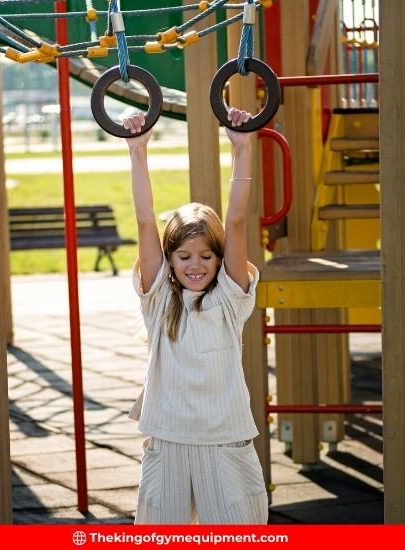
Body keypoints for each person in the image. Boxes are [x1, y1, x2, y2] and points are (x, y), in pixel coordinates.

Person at [123, 108, 267, 525]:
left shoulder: (228, 299)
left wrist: (242, 147)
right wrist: (137, 150)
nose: (195, 265)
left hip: (224, 440)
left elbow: (236, 221)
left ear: (220, 259)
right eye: (184, 256)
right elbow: (145, 222)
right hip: (168, 440)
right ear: (169, 259)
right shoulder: (159, 300)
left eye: (206, 256)